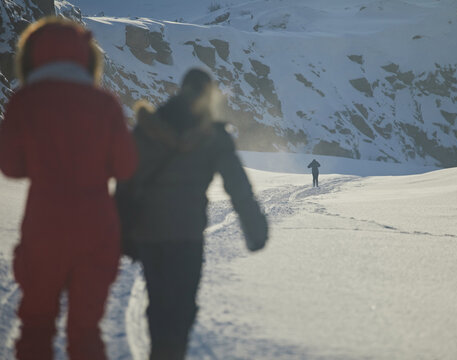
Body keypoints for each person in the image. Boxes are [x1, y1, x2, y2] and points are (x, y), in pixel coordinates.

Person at [0, 18, 138, 360]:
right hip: (96, 229)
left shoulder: (24, 101)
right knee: (86, 331)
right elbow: (126, 167)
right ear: (87, 58)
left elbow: (11, 167)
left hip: (43, 228)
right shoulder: (105, 103)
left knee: (36, 327)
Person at [116, 68, 268, 359]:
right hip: (186, 236)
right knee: (183, 307)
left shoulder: (148, 127)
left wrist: (121, 232)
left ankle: (160, 351)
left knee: (159, 303)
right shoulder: (212, 135)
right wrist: (255, 229)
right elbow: (238, 186)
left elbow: (126, 181)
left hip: (150, 235)